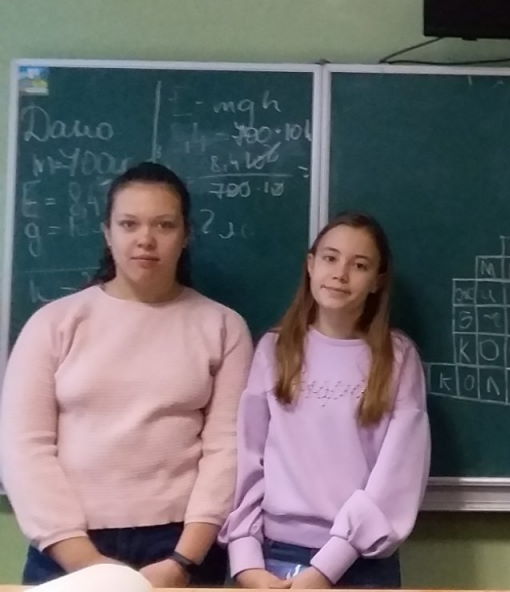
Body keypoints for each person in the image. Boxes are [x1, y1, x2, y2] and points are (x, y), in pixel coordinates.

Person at [1, 161, 253, 586]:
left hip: (181, 545)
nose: (145, 240)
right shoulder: (54, 323)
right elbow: (24, 449)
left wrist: (183, 561)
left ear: (186, 234)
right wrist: (86, 562)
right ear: (108, 232)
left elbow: (227, 451)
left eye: (164, 225)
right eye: (129, 224)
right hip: (67, 544)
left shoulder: (223, 327)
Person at [222, 212, 429, 589]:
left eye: (359, 265)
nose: (340, 274)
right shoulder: (274, 349)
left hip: (359, 563)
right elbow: (248, 460)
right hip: (272, 557)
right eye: (330, 258)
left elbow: (398, 476)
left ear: (377, 281)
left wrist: (325, 569)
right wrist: (246, 560)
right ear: (310, 265)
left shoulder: (397, 359)